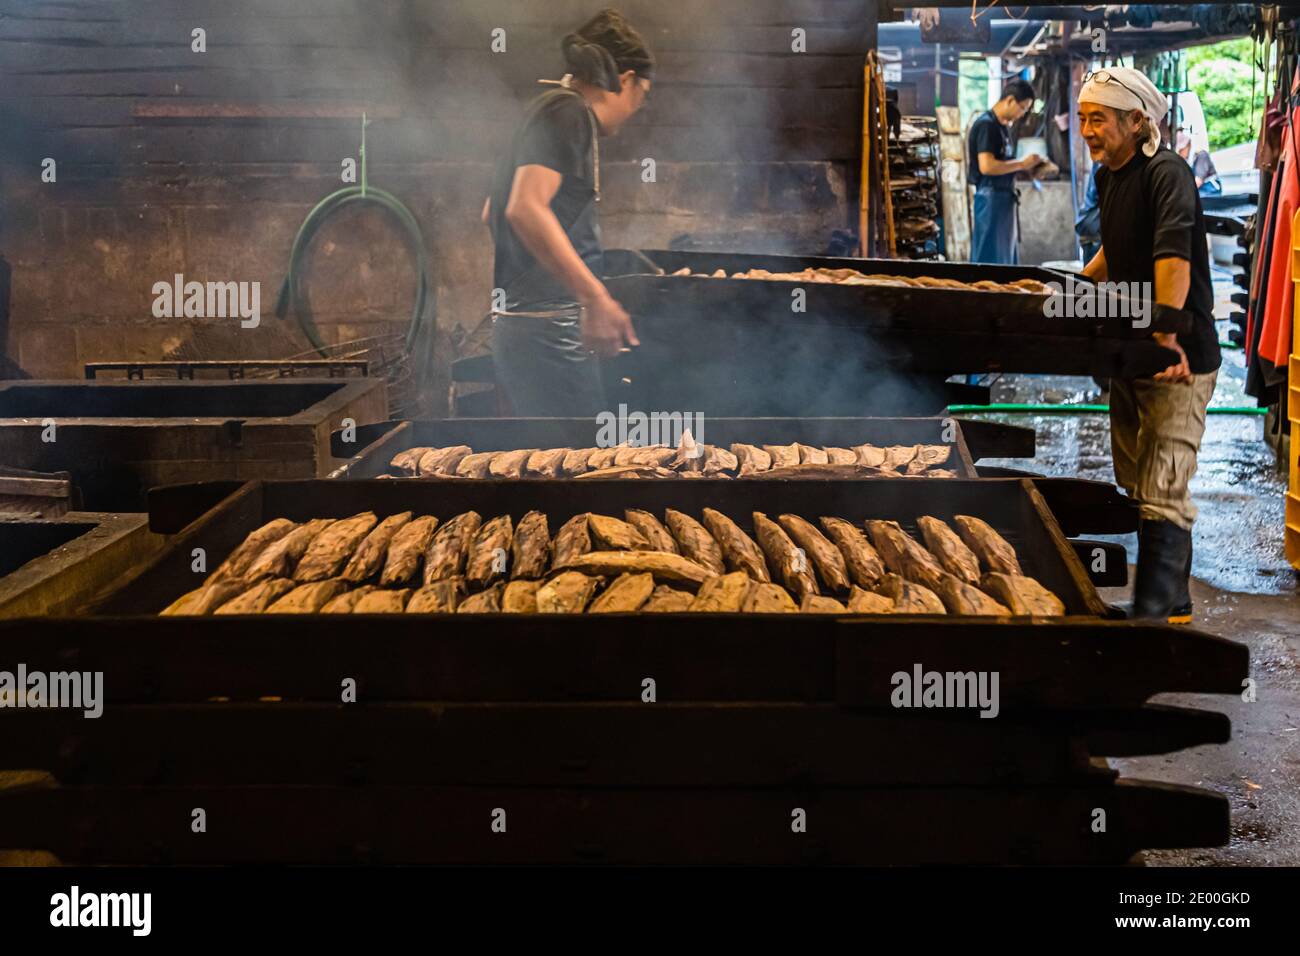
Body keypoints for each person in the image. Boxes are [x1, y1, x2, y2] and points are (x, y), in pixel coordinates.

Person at [1077, 67, 1222, 623]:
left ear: (1137, 121)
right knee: (1140, 479)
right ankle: (1172, 602)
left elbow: (1173, 260)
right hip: (1131, 354)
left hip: (1176, 358)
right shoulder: (1112, 175)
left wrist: (1165, 340)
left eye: (1100, 119)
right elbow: (1115, 254)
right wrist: (1062, 290)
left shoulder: (1168, 173)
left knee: (1164, 481)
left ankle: (1153, 619)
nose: (1089, 130)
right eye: (1085, 118)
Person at [483, 9, 653, 416]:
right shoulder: (569, 111)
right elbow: (523, 209)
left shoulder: (546, 108)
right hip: (548, 328)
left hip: (528, 325)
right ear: (625, 80)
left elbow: (491, 211)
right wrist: (593, 298)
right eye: (641, 95)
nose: (636, 109)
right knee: (578, 467)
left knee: (554, 463)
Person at [967, 78, 1043, 264]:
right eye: (1023, 108)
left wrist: (1030, 168)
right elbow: (987, 166)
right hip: (990, 200)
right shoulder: (987, 125)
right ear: (1010, 100)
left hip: (1004, 200)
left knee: (1005, 260)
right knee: (988, 260)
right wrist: (1021, 164)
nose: (1023, 114)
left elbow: (1003, 164)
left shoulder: (1003, 128)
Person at [1176, 130, 1222, 197]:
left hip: (1211, 191)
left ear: (1188, 145)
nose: (1179, 153)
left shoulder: (1201, 155)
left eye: (1180, 150)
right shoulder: (1187, 159)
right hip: (1200, 191)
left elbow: (1198, 182)